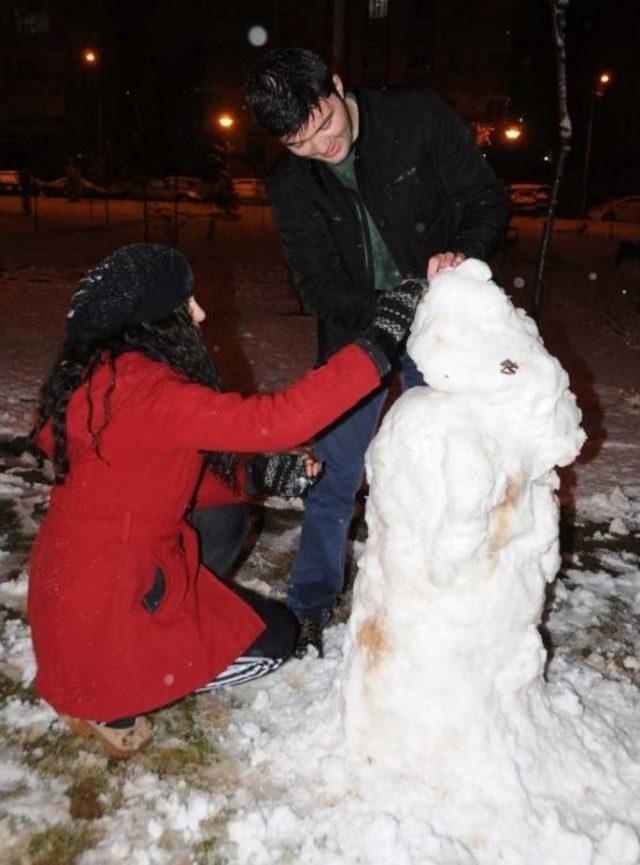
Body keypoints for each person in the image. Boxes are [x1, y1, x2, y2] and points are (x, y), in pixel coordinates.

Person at [27, 242, 422, 758]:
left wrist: (257, 474)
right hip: (113, 605)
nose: (201, 313)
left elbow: (144, 473)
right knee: (277, 639)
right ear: (154, 319)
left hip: (70, 592)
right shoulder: (152, 391)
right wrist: (377, 344)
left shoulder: (96, 380)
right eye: (186, 302)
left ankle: (120, 659)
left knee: (226, 515)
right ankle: (119, 694)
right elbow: (278, 419)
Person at [245, 47, 511, 657]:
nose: (322, 145)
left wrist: (462, 255)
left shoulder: (414, 116)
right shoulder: (289, 183)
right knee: (333, 477)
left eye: (326, 123)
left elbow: (486, 200)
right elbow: (315, 286)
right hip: (356, 333)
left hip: (441, 328)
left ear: (337, 86)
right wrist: (384, 309)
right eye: (301, 142)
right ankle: (310, 605)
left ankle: (439, 600)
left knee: (442, 470)